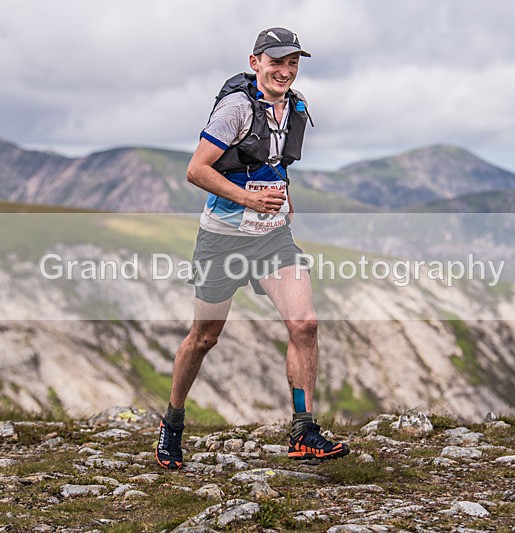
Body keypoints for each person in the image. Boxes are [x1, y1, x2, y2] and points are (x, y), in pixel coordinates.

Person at [154, 27, 350, 470]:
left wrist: (282, 193)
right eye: (276, 61)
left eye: (293, 62)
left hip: (272, 237)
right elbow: (196, 170)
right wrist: (249, 199)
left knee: (306, 324)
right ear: (254, 62)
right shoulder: (236, 108)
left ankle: (303, 431)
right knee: (205, 337)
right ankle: (173, 422)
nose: (285, 70)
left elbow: (273, 161)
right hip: (222, 238)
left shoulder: (294, 107)